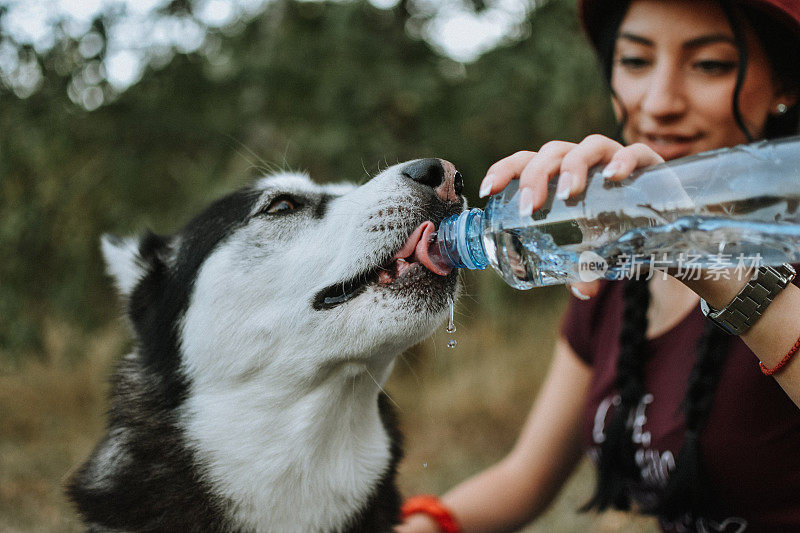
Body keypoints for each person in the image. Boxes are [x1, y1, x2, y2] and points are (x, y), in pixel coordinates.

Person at [397, 0, 800, 531]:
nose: (659, 102)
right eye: (635, 61)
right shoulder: (608, 274)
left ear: (786, 86)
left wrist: (706, 259)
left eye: (710, 65)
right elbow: (524, 478)